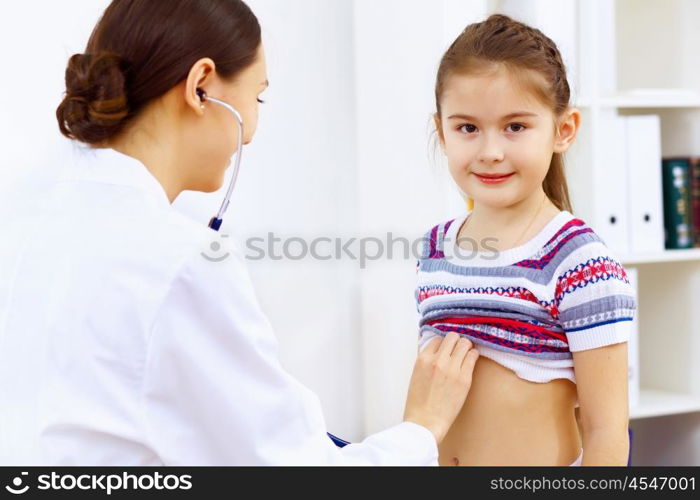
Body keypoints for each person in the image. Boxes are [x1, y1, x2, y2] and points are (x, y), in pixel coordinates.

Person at [0, 0, 480, 465]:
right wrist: (422, 428)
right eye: (257, 96)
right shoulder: (179, 261)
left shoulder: (23, 217)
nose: (250, 130)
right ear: (201, 85)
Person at [415, 14, 636, 466]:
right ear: (441, 131)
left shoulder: (578, 259)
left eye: (515, 127)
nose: (490, 150)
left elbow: (606, 430)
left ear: (563, 130)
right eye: (467, 128)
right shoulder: (435, 248)